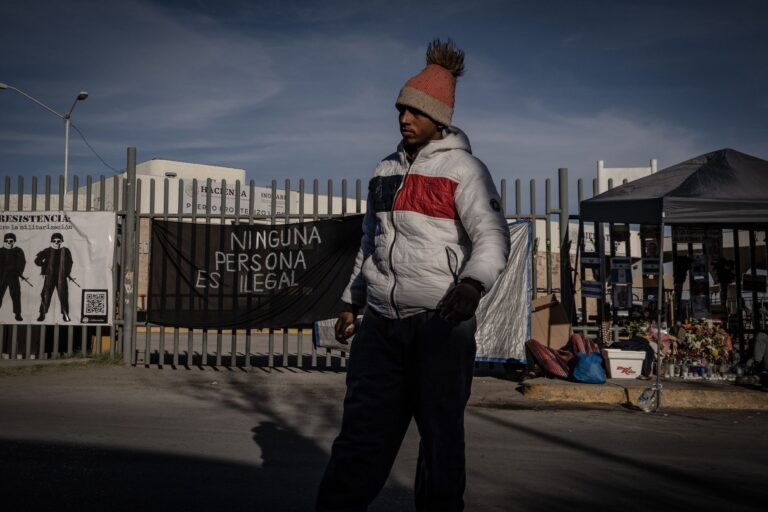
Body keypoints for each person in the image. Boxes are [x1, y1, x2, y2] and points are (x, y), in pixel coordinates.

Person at [316, 39, 510, 512]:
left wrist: (472, 284)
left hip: (441, 325)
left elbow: (492, 236)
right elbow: (371, 243)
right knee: (360, 437)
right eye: (401, 109)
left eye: (415, 112)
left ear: (439, 118)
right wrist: (352, 301)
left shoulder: (465, 169)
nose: (405, 118)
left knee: (441, 443)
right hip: (381, 325)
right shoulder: (384, 171)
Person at [34, 232, 73, 322]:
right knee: (45, 295)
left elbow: (70, 262)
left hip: (61, 277)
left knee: (63, 296)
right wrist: (44, 265)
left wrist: (66, 273)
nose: (56, 242)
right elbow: (37, 260)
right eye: (54, 241)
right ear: (51, 241)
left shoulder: (65, 251)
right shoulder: (47, 251)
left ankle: (65, 314)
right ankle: (42, 314)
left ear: (61, 241)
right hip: (49, 277)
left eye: (58, 241)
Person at [0, 233, 26, 321]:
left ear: (14, 241)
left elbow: (22, 262)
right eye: (6, 241)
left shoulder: (18, 251)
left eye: (11, 241)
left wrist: (18, 272)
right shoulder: (0, 251)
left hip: (13, 276)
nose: (8, 243)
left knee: (16, 295)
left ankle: (18, 314)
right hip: (1, 277)